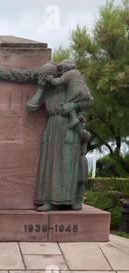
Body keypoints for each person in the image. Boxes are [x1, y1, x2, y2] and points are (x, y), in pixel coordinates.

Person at [26, 61, 94, 212]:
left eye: (48, 76)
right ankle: (49, 200)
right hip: (51, 128)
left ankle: (63, 201)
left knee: (65, 164)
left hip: (68, 127)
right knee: (49, 165)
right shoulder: (48, 91)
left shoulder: (69, 86)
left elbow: (90, 100)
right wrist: (41, 89)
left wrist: (74, 106)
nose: (46, 78)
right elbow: (30, 107)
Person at [45, 60, 92, 130]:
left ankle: (74, 119)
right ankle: (78, 117)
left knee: (68, 104)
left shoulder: (68, 74)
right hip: (84, 93)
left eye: (61, 70)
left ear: (66, 68)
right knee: (71, 104)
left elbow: (58, 82)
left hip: (76, 93)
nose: (60, 73)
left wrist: (51, 79)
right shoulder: (77, 74)